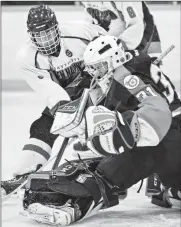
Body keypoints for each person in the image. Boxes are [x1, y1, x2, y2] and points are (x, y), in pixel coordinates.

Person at [21, 36, 181, 226]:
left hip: (163, 140)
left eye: (99, 67)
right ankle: (171, 192)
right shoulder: (126, 67)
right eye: (92, 67)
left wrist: (115, 133)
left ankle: (71, 208)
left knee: (106, 174)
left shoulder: (126, 77)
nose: (95, 72)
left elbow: (158, 114)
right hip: (172, 142)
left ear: (114, 59)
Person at [1, 4, 107, 195]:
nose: (46, 40)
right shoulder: (26, 57)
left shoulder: (79, 32)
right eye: (39, 36)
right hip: (68, 92)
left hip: (99, 84)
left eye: (48, 33)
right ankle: (23, 174)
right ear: (31, 35)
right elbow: (51, 91)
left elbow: (107, 44)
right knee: (42, 126)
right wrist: (67, 114)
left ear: (56, 27)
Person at [82, 1, 162, 56]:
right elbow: (91, 21)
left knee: (148, 71)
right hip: (114, 38)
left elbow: (136, 24)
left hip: (142, 32)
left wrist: (117, 47)